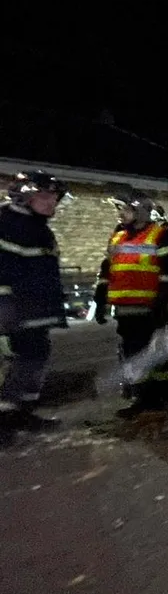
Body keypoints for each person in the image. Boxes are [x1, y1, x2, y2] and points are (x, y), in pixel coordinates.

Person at [93, 188, 168, 417]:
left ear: (140, 210)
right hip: (125, 309)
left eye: (123, 209)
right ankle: (145, 398)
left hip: (152, 307)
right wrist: (101, 297)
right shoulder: (118, 235)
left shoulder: (162, 234)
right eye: (118, 209)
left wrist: (162, 302)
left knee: (158, 354)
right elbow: (108, 268)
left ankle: (167, 395)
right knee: (134, 353)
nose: (119, 214)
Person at [0, 170, 70, 429]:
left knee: (35, 357)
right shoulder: (8, 223)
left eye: (54, 198)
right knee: (20, 361)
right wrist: (5, 310)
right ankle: (7, 415)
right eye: (44, 196)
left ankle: (21, 412)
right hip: (15, 311)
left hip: (33, 311)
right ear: (23, 196)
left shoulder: (36, 227)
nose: (51, 202)